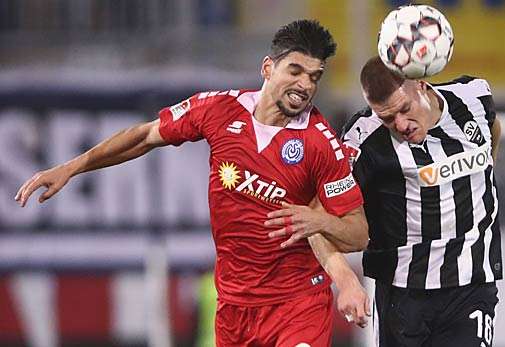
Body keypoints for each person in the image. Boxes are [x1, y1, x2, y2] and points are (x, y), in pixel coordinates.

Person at [15, 20, 370, 347]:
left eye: (314, 76)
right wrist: (71, 167)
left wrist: (321, 225)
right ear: (267, 68)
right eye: (296, 71)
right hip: (234, 308)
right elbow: (144, 137)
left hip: (297, 303)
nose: (305, 85)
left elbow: (358, 232)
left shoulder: (320, 143)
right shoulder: (218, 109)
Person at [341, 56, 503, 347]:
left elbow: (494, 130)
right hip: (404, 294)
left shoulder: (473, 96)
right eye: (388, 118)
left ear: (421, 84)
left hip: (471, 284)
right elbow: (332, 207)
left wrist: (482, 176)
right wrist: (346, 280)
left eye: (405, 109)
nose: (400, 124)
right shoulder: (362, 137)